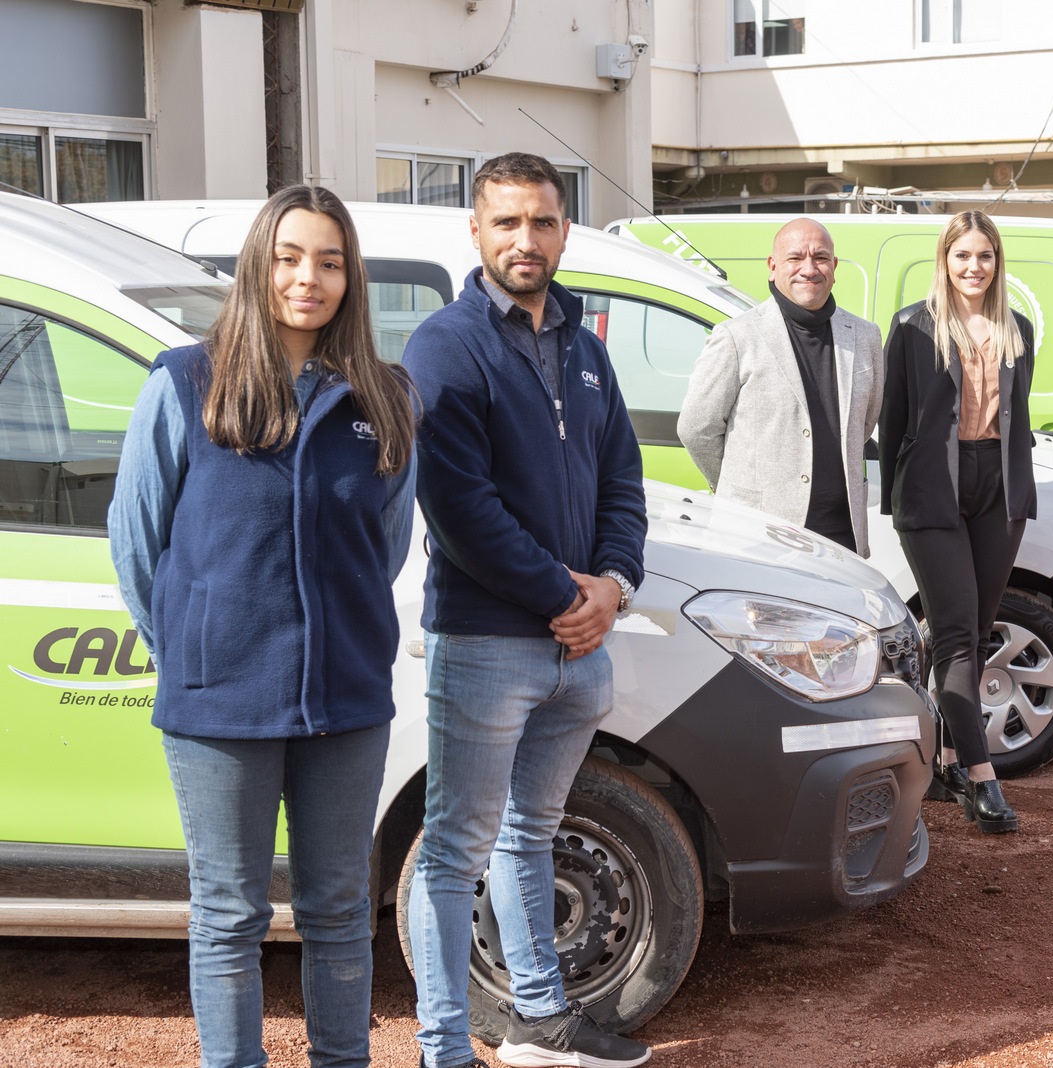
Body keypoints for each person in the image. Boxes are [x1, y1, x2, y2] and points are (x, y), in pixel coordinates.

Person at [108, 185, 418, 1068]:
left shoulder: (386, 398)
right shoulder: (184, 381)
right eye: (289, 258)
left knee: (337, 911)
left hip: (346, 701)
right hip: (218, 702)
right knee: (229, 913)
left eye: (328, 261)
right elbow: (137, 546)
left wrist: (337, 630)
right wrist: (197, 644)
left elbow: (382, 545)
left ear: (351, 277)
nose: (307, 278)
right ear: (258, 264)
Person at [402, 152, 650, 1068]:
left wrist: (614, 587)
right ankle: (443, 1048)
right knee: (454, 853)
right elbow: (459, 508)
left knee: (529, 834)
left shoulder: (586, 350)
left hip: (578, 652)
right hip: (485, 644)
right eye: (506, 222)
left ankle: (538, 1022)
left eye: (541, 222)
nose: (525, 240)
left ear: (564, 232)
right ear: (475, 230)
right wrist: (565, 597)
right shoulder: (445, 346)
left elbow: (624, 480)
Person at [879, 211, 1035, 834]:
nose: (975, 267)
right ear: (943, 259)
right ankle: (981, 775)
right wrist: (901, 499)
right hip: (931, 492)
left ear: (998, 263)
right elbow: (894, 419)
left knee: (974, 628)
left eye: (986, 257)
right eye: (963, 255)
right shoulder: (914, 327)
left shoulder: (1017, 330)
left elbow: (1016, 418)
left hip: (999, 490)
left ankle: (946, 757)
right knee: (954, 637)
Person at [678, 218, 883, 555]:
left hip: (842, 538)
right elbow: (696, 428)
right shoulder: (736, 336)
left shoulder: (865, 336)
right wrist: (739, 489)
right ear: (773, 267)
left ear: (834, 266)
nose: (809, 268)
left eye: (820, 257)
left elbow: (864, 423)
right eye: (795, 258)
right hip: (759, 535)